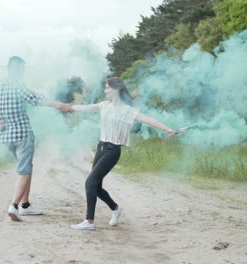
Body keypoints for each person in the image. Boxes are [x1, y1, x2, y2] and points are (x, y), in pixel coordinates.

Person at [70, 77, 175, 230]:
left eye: (107, 88)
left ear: (116, 89)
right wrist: (68, 107)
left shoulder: (128, 111)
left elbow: (148, 119)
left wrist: (167, 129)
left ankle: (89, 221)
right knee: (96, 187)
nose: (105, 90)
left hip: (112, 151)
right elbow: (85, 107)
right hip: (101, 148)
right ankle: (115, 209)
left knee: (90, 183)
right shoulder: (104, 105)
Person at [0, 56, 73, 221]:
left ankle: (25, 205)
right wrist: (61, 106)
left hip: (6, 137)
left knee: (25, 167)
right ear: (12, 69)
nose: (22, 73)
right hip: (22, 135)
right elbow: (39, 99)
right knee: (24, 170)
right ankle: (14, 206)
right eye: (20, 70)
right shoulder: (19, 87)